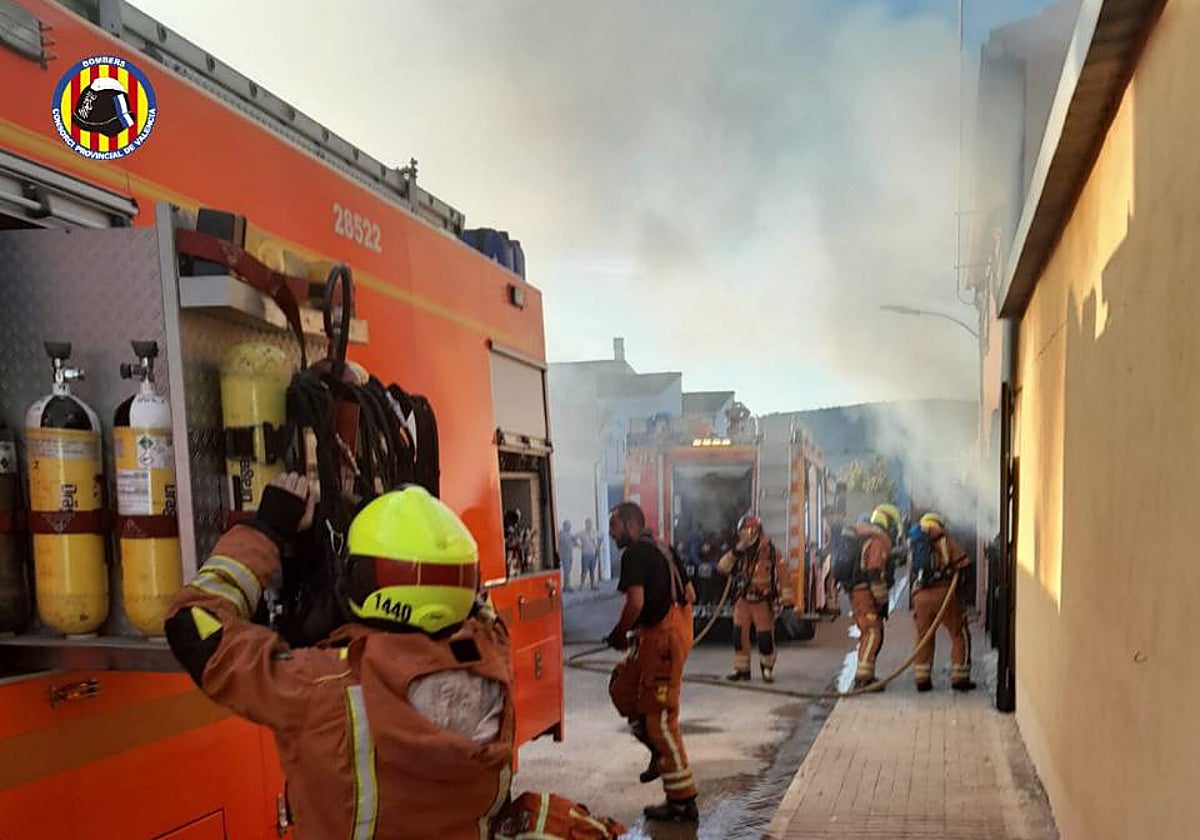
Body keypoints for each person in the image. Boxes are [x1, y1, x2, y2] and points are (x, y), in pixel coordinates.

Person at [164, 473, 515, 839]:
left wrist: (266, 528)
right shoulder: (492, 655)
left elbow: (193, 625)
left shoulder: (320, 685)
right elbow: (474, 602)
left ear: (359, 580)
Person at [605, 501, 699, 824]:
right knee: (623, 689)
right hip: (661, 638)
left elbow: (636, 601)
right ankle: (658, 754)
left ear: (631, 525)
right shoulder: (663, 549)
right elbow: (690, 594)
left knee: (660, 721)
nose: (610, 532)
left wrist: (621, 633)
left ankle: (683, 803)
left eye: (614, 526)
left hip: (662, 644)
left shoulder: (633, 554)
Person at [716, 514, 793, 683]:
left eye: (745, 532)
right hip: (743, 601)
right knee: (738, 636)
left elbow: (783, 575)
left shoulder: (771, 552)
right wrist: (735, 552)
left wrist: (786, 600)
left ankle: (767, 669)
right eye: (741, 532)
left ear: (755, 532)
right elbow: (722, 567)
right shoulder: (740, 553)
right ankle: (742, 670)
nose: (743, 536)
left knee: (765, 637)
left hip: (762, 602)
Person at [909, 512, 976, 692]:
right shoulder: (945, 539)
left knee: (924, 636)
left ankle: (922, 679)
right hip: (944, 594)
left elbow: (912, 573)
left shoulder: (915, 544)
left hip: (920, 596)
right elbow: (964, 565)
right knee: (958, 632)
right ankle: (959, 677)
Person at [847, 509, 893, 689]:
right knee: (873, 632)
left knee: (868, 633)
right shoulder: (876, 542)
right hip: (866, 594)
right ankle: (863, 678)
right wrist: (882, 601)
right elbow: (874, 572)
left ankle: (866, 675)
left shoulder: (862, 540)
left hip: (858, 593)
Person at [576, 518, 601, 590]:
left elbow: (600, 537)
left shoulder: (594, 532)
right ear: (586, 524)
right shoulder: (582, 533)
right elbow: (574, 538)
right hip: (585, 554)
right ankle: (581, 585)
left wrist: (597, 547)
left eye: (590, 523)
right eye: (588, 523)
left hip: (593, 554)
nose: (589, 525)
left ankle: (592, 585)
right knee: (584, 570)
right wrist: (579, 546)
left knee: (592, 570)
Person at [558, 519, 575, 591]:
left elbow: (574, 542)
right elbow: (559, 544)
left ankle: (565, 586)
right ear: (564, 526)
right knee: (566, 571)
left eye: (570, 525)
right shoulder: (560, 534)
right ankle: (567, 586)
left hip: (570, 555)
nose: (569, 527)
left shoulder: (570, 534)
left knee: (568, 571)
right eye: (568, 525)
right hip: (564, 555)